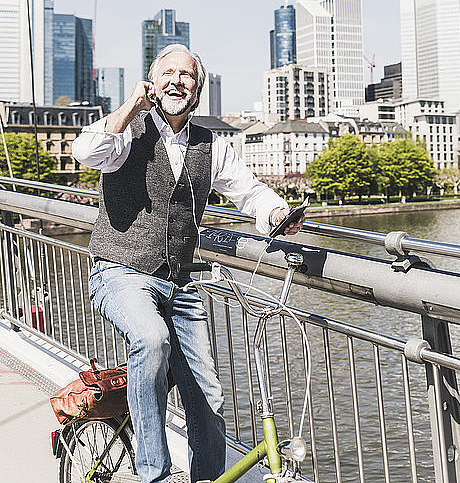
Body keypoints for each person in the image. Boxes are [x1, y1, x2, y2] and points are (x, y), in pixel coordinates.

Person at [72, 44, 303, 483]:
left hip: (178, 282)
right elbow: (86, 151)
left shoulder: (209, 145)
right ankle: (153, 475)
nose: (178, 80)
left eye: (188, 76)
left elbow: (249, 190)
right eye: (168, 73)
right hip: (119, 270)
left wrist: (276, 213)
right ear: (152, 82)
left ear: (197, 90)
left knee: (208, 400)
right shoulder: (126, 132)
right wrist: (130, 107)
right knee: (150, 339)